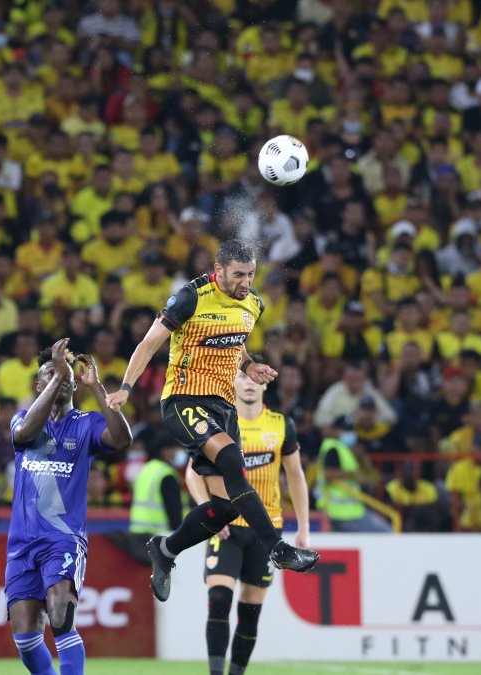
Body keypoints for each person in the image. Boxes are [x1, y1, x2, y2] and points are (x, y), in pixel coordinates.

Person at [106, 239, 319, 603]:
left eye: (251, 274)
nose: (246, 282)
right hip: (184, 399)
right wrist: (126, 388)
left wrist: (250, 365)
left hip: (223, 408)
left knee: (224, 508)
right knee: (234, 462)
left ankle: (166, 549)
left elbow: (234, 346)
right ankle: (277, 549)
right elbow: (148, 344)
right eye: (238, 274)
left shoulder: (254, 304)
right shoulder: (190, 297)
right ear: (218, 270)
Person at [6, 338, 131, 675]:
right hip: (22, 544)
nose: (56, 378)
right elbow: (24, 434)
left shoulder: (86, 424)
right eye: (48, 374)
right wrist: (61, 374)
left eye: (63, 375)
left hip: (63, 538)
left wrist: (98, 388)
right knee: (26, 641)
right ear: (38, 384)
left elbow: (121, 440)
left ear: (75, 384)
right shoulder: (23, 420)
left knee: (61, 615)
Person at [186, 369, 311, 675]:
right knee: (218, 598)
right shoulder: (219, 423)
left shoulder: (282, 425)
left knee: (250, 612)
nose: (250, 384)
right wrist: (211, 510)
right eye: (243, 377)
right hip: (227, 528)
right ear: (233, 382)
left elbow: (295, 477)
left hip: (266, 532)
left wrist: (303, 530)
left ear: (266, 383)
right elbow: (193, 472)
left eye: (256, 379)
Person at [127, 443, 186, 535]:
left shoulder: (145, 469)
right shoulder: (166, 474)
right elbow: (173, 510)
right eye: (175, 448)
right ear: (165, 451)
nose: (180, 452)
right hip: (160, 534)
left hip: (137, 531)